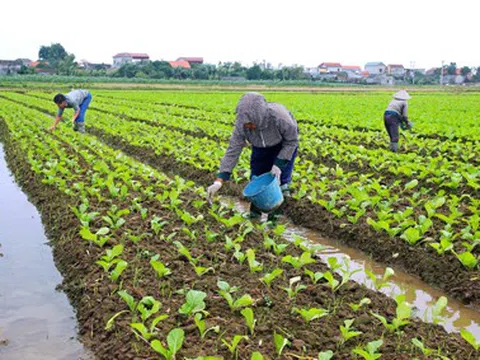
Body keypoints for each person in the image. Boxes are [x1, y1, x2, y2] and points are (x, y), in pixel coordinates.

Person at [207, 92, 299, 220]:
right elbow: (233, 149)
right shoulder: (242, 125)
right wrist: (220, 179)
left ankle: (276, 217)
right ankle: (255, 215)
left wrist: (279, 164)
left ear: (259, 117)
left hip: (283, 144)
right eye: (246, 124)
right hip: (259, 146)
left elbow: (292, 141)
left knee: (279, 180)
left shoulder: (280, 118)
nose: (249, 126)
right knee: (257, 178)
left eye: (251, 123)